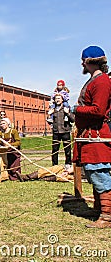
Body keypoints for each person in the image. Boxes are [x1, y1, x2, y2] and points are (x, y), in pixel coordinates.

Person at [72, 45, 111, 228]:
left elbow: (98, 110)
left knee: (99, 173)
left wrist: (76, 109)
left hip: (96, 133)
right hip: (88, 134)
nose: (81, 63)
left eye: (83, 60)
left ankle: (107, 215)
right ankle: (98, 208)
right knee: (92, 173)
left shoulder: (101, 82)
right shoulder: (94, 80)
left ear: (88, 62)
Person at [47, 94, 74, 169]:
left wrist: (68, 113)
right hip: (56, 132)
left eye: (59, 98)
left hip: (65, 131)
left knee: (67, 150)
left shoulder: (66, 108)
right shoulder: (53, 109)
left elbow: (73, 120)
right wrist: (49, 115)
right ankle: (54, 166)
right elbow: (49, 122)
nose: (57, 100)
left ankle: (68, 165)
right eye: (56, 98)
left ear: (62, 100)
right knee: (55, 150)